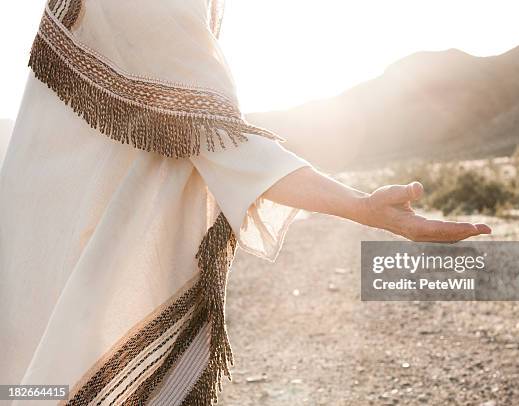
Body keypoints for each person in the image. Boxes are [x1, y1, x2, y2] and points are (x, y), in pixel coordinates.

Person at [0, 1, 491, 404]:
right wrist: (363, 207)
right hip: (79, 245)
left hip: (40, 244)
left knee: (33, 380)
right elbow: (221, 141)